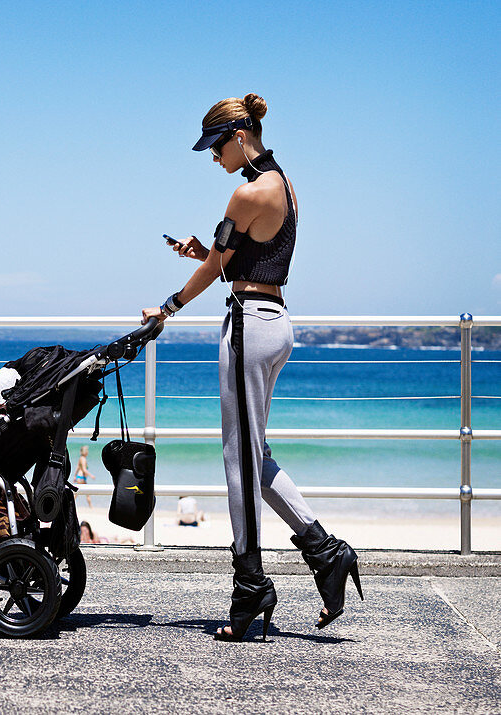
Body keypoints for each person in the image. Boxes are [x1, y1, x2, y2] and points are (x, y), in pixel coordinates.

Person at [141, 94, 361, 642]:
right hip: (274, 320)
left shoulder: (245, 192)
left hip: (248, 326)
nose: (213, 157)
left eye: (216, 146)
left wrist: (167, 307)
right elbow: (233, 259)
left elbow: (222, 263)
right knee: (253, 456)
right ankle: (325, 553)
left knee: (238, 461)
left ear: (240, 136)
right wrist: (204, 256)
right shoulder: (282, 184)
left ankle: (250, 583)